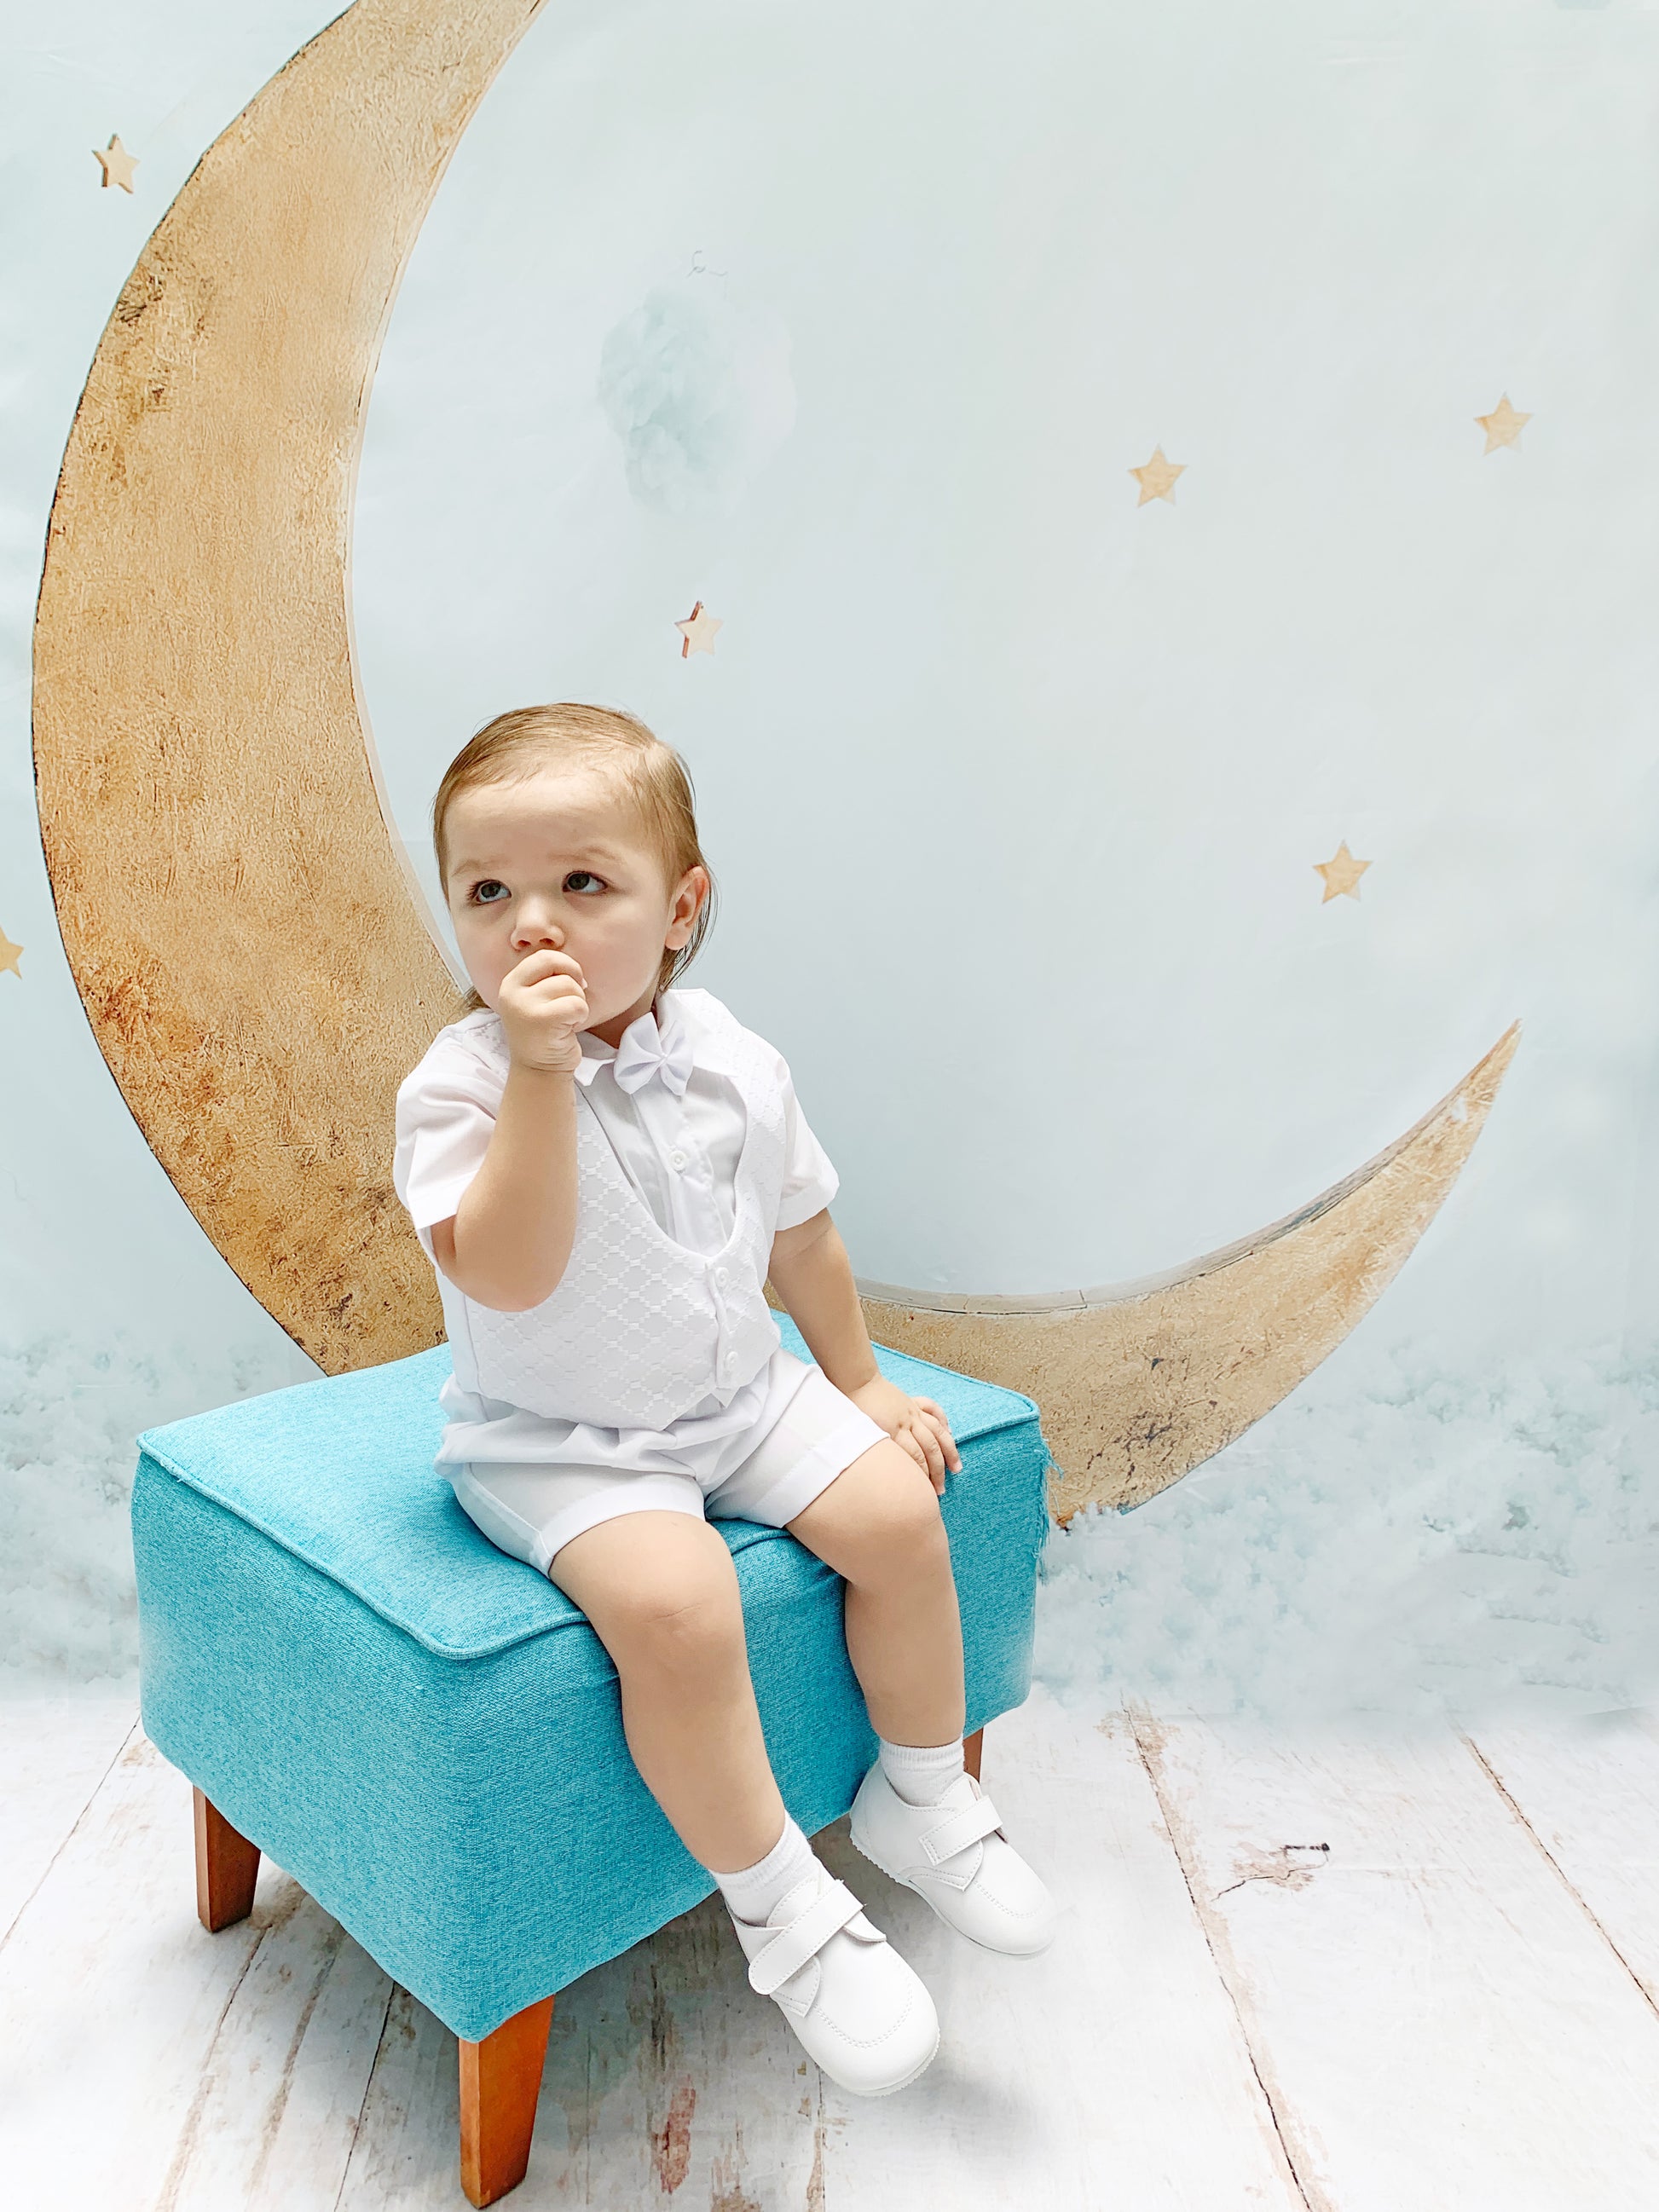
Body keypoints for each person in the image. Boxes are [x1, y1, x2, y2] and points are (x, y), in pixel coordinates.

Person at [392, 702, 1058, 2098]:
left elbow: (801, 1233)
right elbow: (507, 1271)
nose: (532, 925)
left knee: (897, 1517)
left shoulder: (733, 1058)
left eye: (582, 883)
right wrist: (537, 1077)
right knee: (680, 1606)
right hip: (558, 1438)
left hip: (737, 1390)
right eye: (487, 892)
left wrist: (857, 1378)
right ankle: (782, 1909)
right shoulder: (457, 1087)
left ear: (680, 908)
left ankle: (921, 1792)